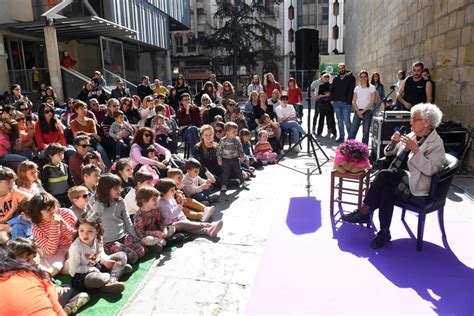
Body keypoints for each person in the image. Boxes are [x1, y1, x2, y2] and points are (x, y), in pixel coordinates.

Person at [342, 103, 445, 249]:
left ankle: (365, 210)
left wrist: (416, 150)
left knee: (384, 177)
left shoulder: (437, 144)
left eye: (414, 119)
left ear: (426, 122)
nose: (410, 122)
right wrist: (393, 142)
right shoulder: (412, 134)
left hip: (415, 182)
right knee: (386, 188)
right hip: (396, 177)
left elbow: (431, 170)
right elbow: (389, 153)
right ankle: (384, 232)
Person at [68, 212, 131, 294]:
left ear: (97, 231)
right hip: (83, 275)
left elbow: (101, 253)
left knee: (122, 256)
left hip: (98, 266)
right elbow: (73, 270)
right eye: (81, 230)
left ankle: (112, 280)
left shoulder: (98, 238)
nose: (85, 234)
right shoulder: (76, 247)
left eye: (90, 231)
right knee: (97, 279)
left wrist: (105, 261)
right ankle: (114, 273)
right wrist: (90, 269)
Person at [0, 243, 69, 315]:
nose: (34, 261)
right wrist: (55, 292)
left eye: (34, 256)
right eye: (27, 260)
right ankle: (69, 308)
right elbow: (52, 301)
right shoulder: (29, 275)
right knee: (67, 289)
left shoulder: (28, 274)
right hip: (49, 300)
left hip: (46, 297)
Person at [91, 174, 145, 264]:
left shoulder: (121, 201)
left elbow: (127, 221)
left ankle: (121, 259)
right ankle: (117, 263)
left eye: (119, 187)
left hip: (123, 236)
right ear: (105, 189)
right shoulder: (98, 205)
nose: (119, 190)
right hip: (109, 242)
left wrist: (135, 237)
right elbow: (91, 224)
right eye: (115, 188)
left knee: (141, 251)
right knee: (132, 256)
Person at [28, 192, 77, 276]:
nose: (53, 211)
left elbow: (77, 237)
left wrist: (62, 224)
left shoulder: (67, 213)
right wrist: (54, 226)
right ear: (38, 214)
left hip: (74, 245)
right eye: (48, 210)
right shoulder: (37, 228)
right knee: (52, 269)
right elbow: (51, 251)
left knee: (77, 261)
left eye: (54, 207)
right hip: (57, 250)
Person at [156, 178, 223, 238]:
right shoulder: (161, 204)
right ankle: (209, 225)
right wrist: (180, 205)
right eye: (172, 190)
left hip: (177, 221)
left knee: (189, 226)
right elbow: (171, 215)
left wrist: (184, 218)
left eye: (174, 189)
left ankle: (208, 231)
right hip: (169, 226)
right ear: (163, 192)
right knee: (182, 224)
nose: (174, 192)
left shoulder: (171, 199)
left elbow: (179, 213)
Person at [133, 186, 171, 251]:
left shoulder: (155, 210)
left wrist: (164, 229)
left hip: (158, 233)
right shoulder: (139, 216)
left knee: (171, 228)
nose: (157, 201)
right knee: (147, 240)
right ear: (144, 201)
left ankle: (162, 242)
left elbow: (160, 221)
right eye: (154, 199)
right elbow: (141, 233)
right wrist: (155, 233)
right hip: (146, 236)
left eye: (157, 199)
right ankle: (163, 242)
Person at [216, 122, 248, 192]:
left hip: (235, 158)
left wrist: (242, 156)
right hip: (226, 159)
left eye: (236, 131)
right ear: (227, 132)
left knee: (239, 171)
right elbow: (219, 150)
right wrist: (219, 159)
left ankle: (243, 182)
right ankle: (224, 185)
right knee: (226, 172)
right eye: (233, 131)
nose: (236, 133)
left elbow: (240, 148)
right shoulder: (223, 140)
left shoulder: (237, 139)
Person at [40, 143, 74, 207]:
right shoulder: (47, 169)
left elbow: (70, 180)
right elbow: (44, 185)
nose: (62, 156)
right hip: (55, 197)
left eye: (62, 154)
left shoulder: (65, 166)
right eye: (59, 154)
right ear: (51, 156)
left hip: (66, 196)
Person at [348, 70, 377, 145]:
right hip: (358, 111)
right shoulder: (357, 88)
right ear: (359, 78)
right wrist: (358, 111)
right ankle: (347, 148)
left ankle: (364, 150)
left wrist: (363, 111)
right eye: (361, 77)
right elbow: (354, 101)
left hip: (367, 110)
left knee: (366, 131)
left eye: (365, 76)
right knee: (353, 130)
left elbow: (372, 101)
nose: (363, 78)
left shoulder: (372, 87)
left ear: (367, 77)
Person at [330, 63, 356, 142]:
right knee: (339, 121)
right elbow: (332, 89)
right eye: (339, 69)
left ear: (345, 68)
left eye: (342, 68)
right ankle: (341, 137)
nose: (341, 70)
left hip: (346, 103)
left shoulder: (351, 78)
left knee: (347, 121)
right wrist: (331, 100)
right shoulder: (336, 78)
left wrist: (349, 102)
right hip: (336, 103)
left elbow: (351, 90)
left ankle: (351, 138)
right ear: (338, 69)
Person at [314, 73, 336, 138]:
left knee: (331, 119)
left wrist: (326, 95)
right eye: (324, 77)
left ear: (329, 78)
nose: (326, 78)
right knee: (321, 119)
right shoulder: (321, 86)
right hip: (323, 104)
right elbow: (319, 96)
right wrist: (325, 95)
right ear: (323, 78)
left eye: (327, 77)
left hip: (330, 104)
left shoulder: (332, 85)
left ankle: (333, 132)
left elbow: (332, 94)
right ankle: (319, 132)